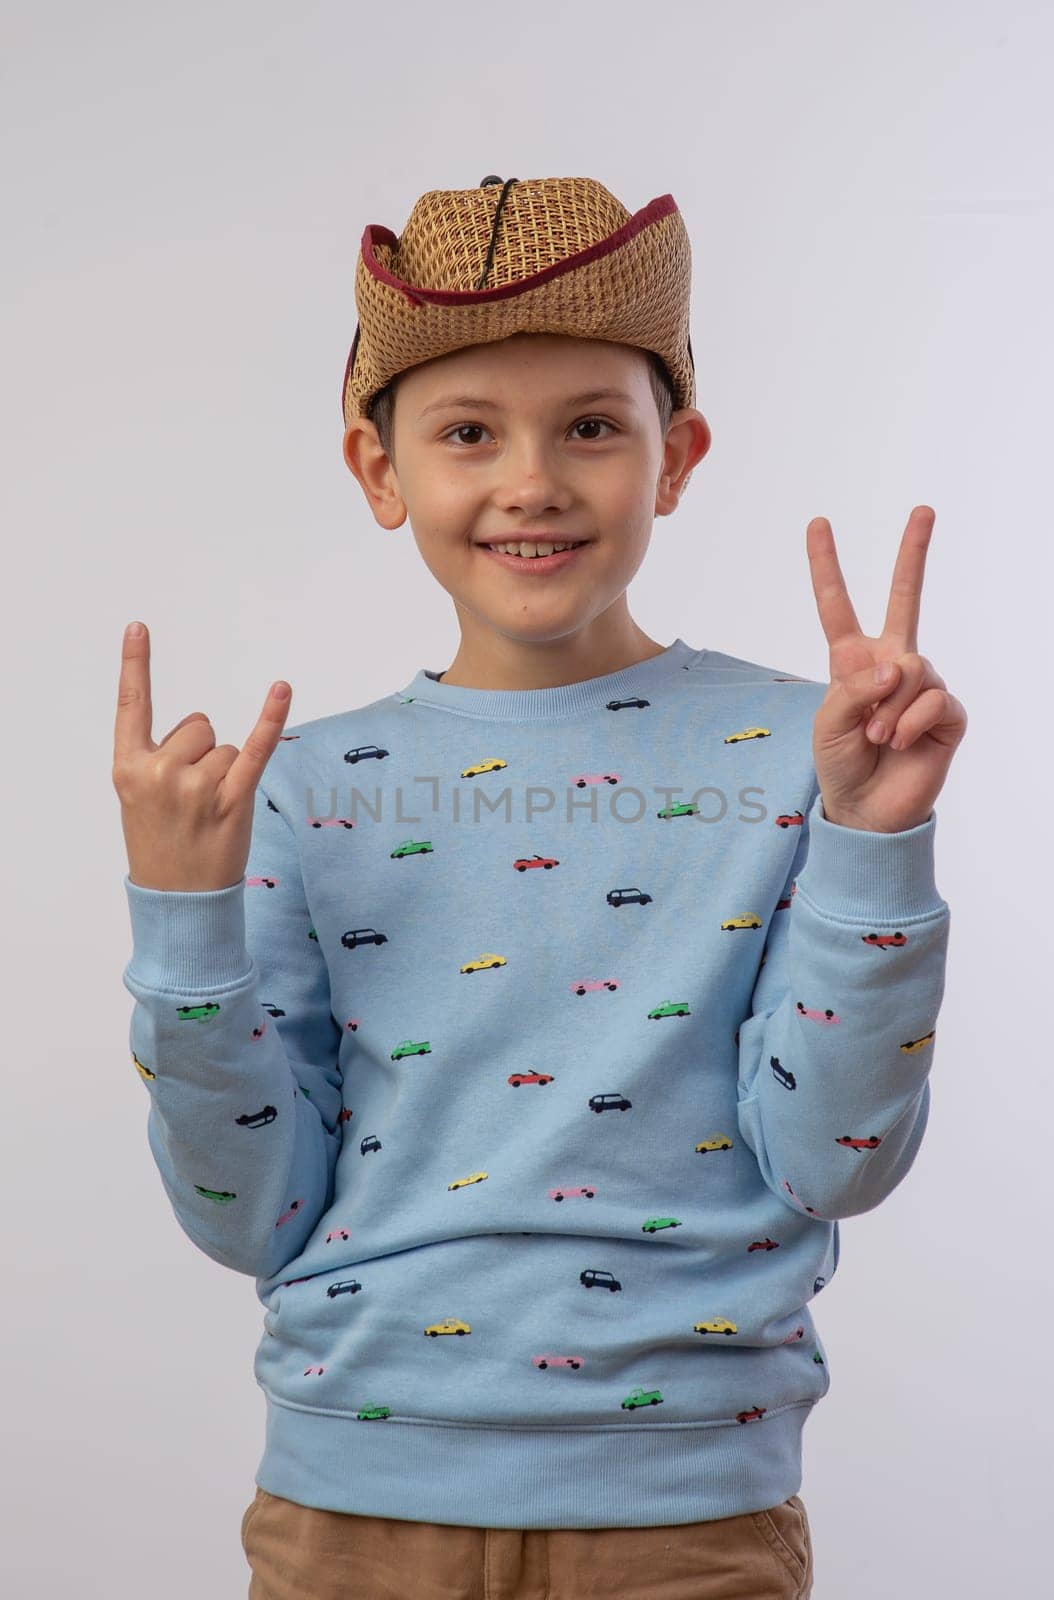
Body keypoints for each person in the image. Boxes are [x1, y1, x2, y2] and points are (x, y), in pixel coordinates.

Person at [112, 175, 967, 1599]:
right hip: (351, 1514)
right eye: (465, 432)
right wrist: (182, 927)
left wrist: (872, 842)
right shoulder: (302, 789)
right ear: (379, 474)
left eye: (589, 427)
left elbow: (836, 1164)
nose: (531, 481)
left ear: (673, 456)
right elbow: (242, 1217)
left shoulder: (804, 752)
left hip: (687, 1515)